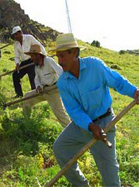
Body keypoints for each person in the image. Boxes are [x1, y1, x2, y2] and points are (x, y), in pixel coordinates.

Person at [51, 33, 139, 186]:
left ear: (75, 53)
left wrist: (134, 92)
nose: (60, 61)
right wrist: (90, 126)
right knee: (60, 148)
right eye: (58, 57)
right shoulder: (63, 83)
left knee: (110, 174)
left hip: (105, 123)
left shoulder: (95, 66)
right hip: (82, 126)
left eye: (63, 56)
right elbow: (74, 111)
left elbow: (116, 81)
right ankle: (81, 184)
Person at [23, 44, 71, 128]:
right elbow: (37, 79)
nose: (31, 58)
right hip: (43, 90)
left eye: (32, 56)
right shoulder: (36, 66)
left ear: (38, 55)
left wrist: (63, 82)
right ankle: (27, 122)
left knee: (60, 114)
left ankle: (71, 131)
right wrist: (38, 86)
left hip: (53, 90)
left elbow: (60, 72)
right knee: (27, 97)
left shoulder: (48, 61)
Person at [11, 26, 47, 98]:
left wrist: (44, 56)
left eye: (16, 34)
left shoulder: (29, 38)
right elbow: (17, 56)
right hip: (24, 62)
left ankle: (35, 94)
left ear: (20, 33)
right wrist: (17, 64)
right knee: (15, 75)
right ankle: (19, 94)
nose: (15, 37)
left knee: (32, 77)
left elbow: (39, 46)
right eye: (14, 35)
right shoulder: (16, 44)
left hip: (32, 60)